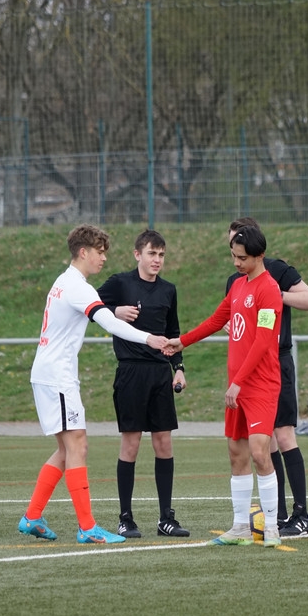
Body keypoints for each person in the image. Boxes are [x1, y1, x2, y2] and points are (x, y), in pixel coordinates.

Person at [18, 224, 169, 545]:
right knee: (78, 446)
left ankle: (32, 516)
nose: (103, 258)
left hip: (50, 374)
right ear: (83, 252)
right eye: (99, 252)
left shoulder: (65, 281)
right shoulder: (78, 286)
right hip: (57, 376)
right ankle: (87, 527)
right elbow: (110, 322)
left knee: (66, 450)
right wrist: (149, 338)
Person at [166, 225, 283, 547]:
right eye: (233, 256)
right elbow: (217, 320)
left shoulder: (270, 290)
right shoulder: (238, 286)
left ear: (259, 255)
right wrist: (182, 342)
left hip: (259, 386)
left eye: (242, 258)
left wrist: (238, 383)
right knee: (236, 453)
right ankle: (240, 527)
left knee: (260, 452)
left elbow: (263, 342)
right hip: (238, 386)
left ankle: (272, 527)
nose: (236, 263)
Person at [225, 217, 308, 537]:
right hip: (246, 369)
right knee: (262, 445)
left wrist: (278, 296)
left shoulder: (276, 271)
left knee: (284, 435)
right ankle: (275, 515)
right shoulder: (236, 280)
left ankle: (301, 513)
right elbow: (233, 320)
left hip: (275, 361)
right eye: (232, 248)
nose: (235, 256)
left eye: (240, 248)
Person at [97, 229, 189, 539]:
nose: (157, 260)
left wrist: (178, 368)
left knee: (164, 444)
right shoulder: (119, 283)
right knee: (131, 444)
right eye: (151, 253)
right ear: (138, 254)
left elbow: (173, 331)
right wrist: (114, 311)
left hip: (160, 374)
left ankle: (166, 519)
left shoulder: (168, 290)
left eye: (161, 254)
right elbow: (87, 307)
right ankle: (126, 518)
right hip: (131, 373)